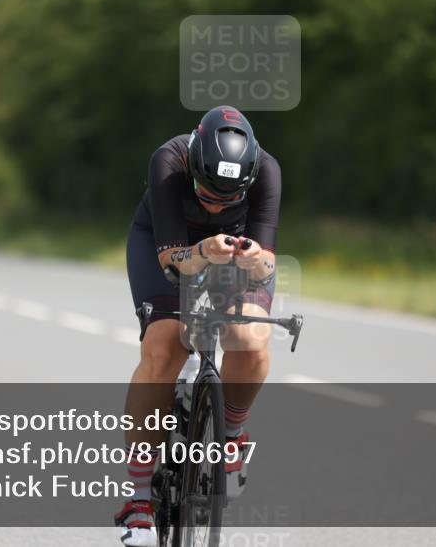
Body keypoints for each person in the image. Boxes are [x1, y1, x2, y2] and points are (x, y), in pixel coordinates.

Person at [115, 106, 281, 547]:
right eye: (207, 192)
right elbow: (172, 260)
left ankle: (230, 432)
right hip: (166, 243)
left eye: (228, 199)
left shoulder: (267, 170)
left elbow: (267, 263)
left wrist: (254, 259)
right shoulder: (168, 162)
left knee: (250, 337)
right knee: (164, 347)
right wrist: (204, 247)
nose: (215, 204)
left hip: (231, 252)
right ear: (193, 166)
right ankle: (138, 501)